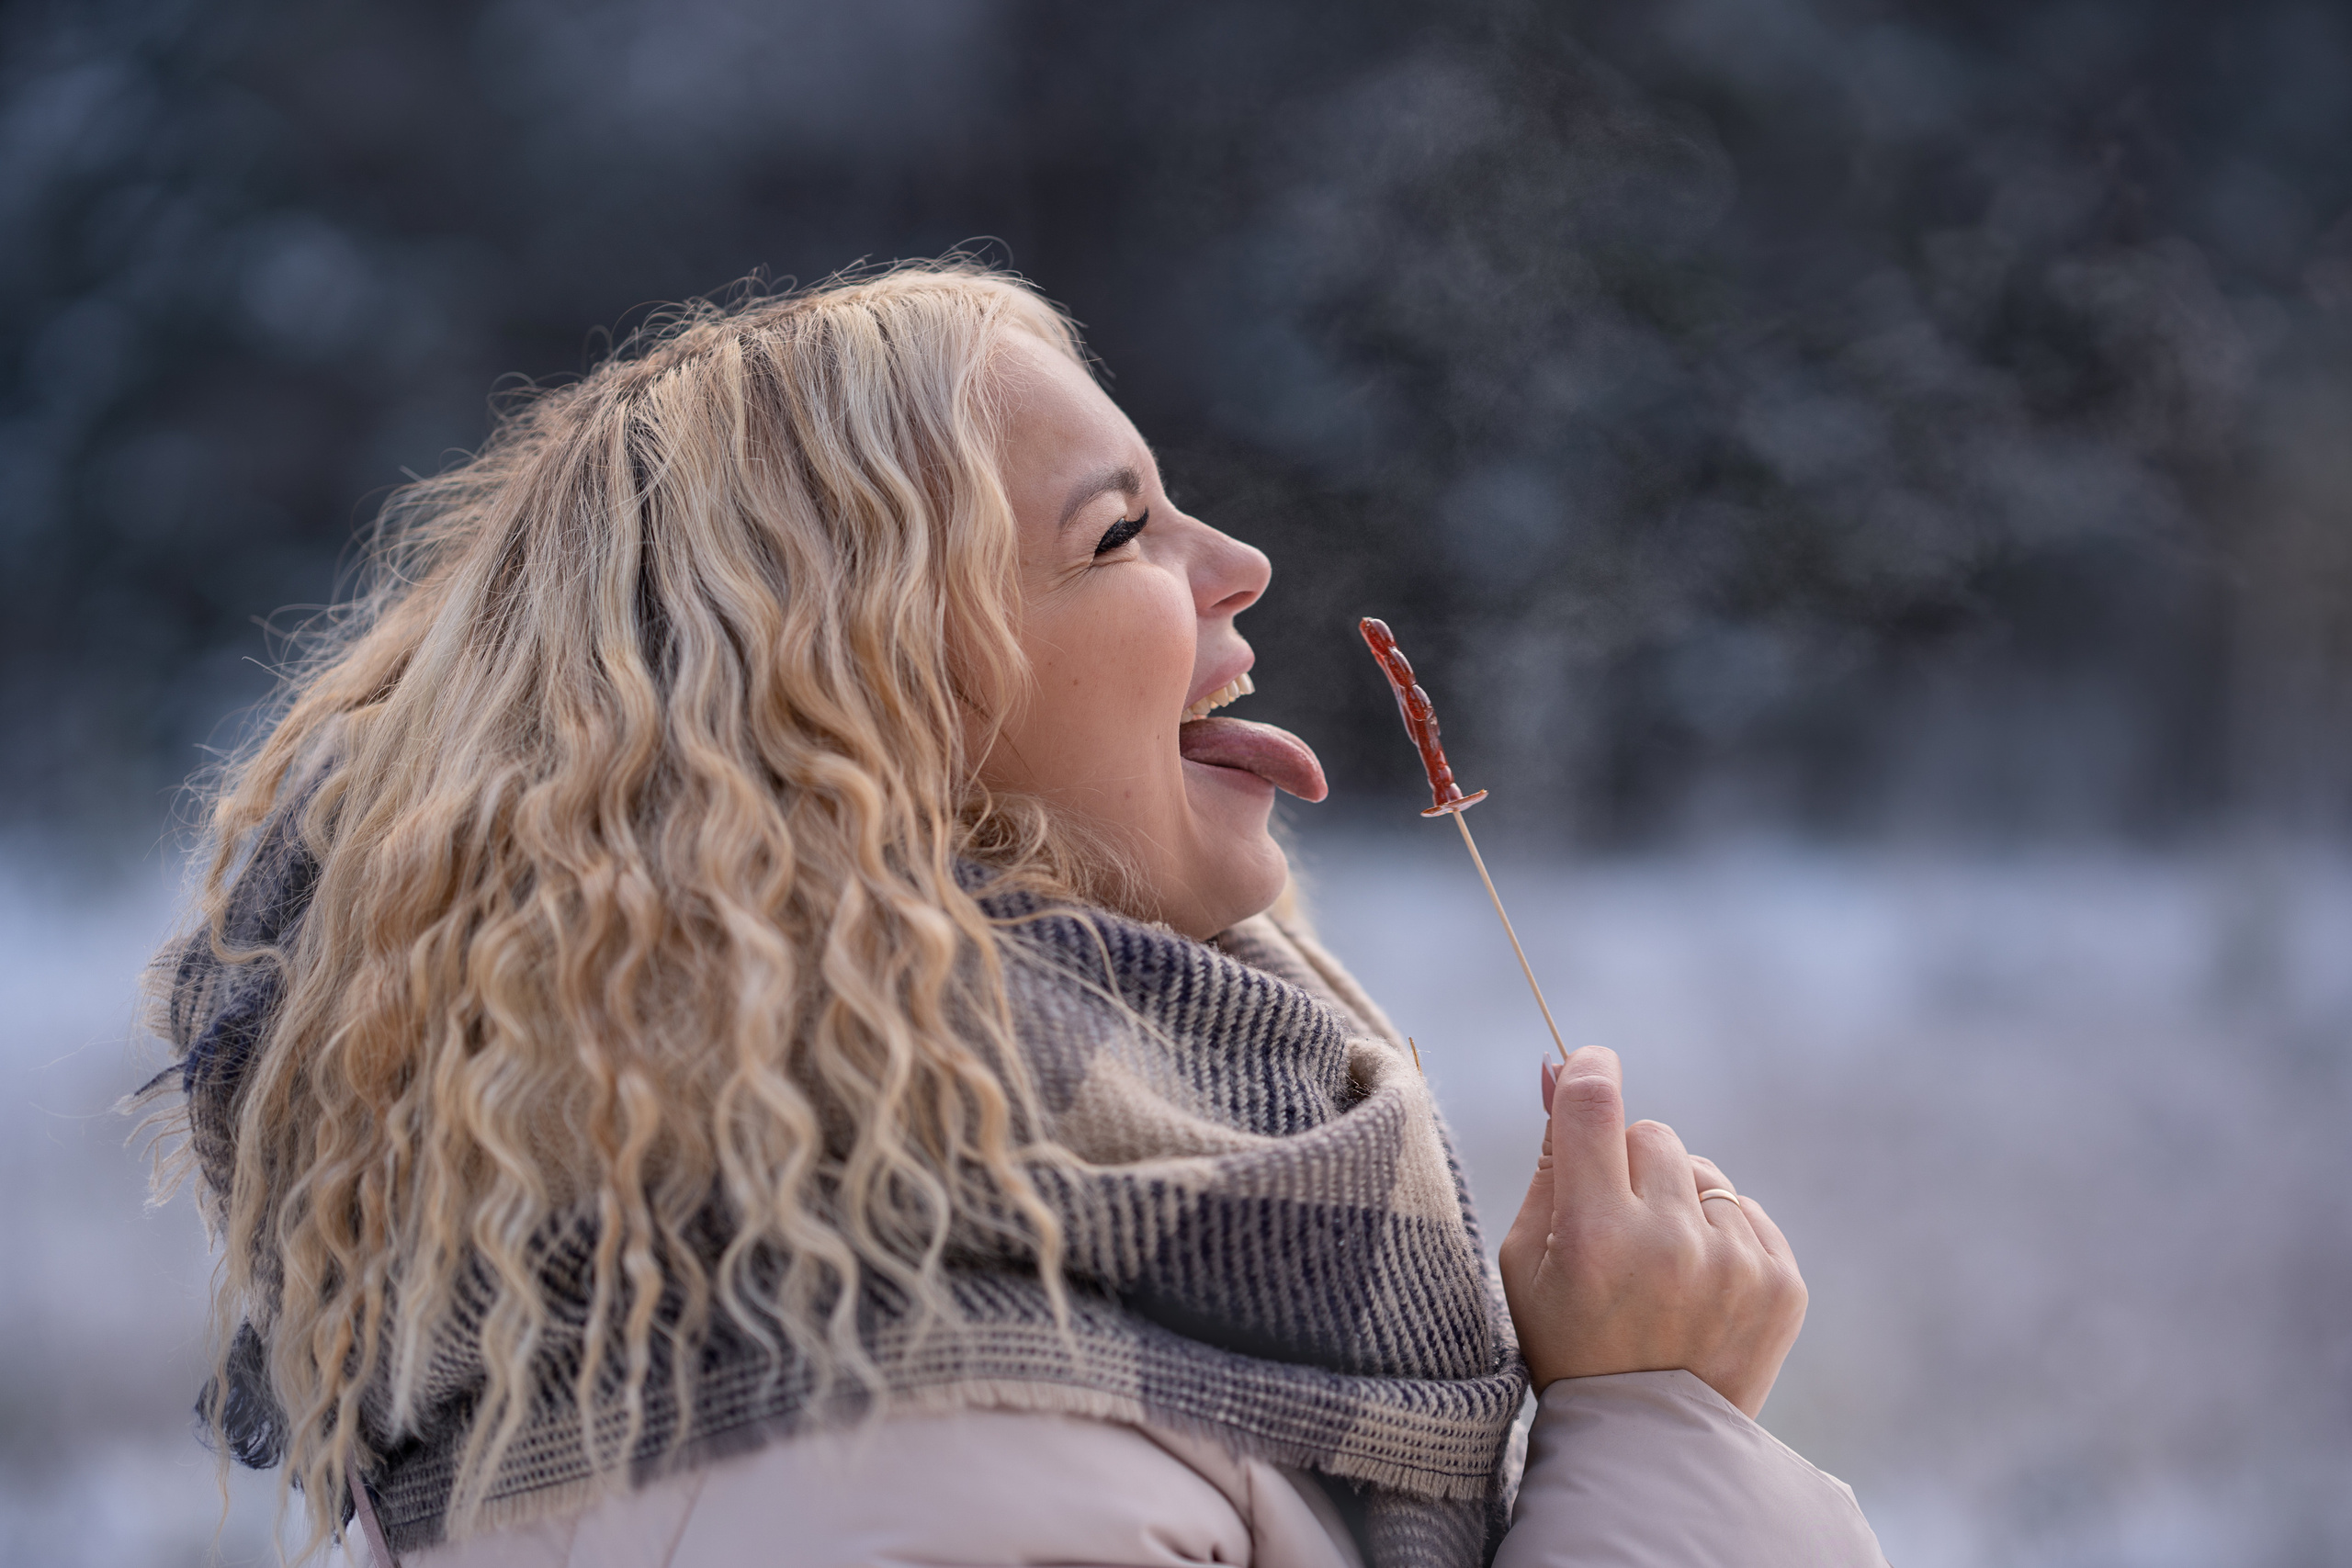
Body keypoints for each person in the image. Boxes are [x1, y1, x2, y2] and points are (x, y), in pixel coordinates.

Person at [147, 262, 1885, 1566]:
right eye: (1120, 533)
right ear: (855, 714)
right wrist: (1653, 1441)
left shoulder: (894, 1260)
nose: (1238, 564)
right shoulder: (906, 1429)